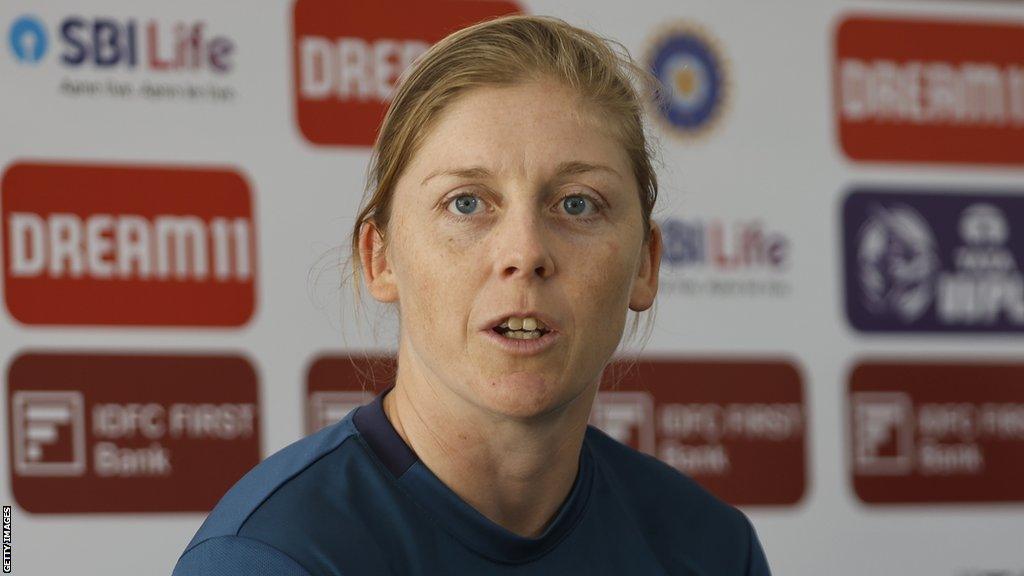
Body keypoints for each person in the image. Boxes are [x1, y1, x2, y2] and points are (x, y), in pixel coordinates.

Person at [172, 14, 772, 575]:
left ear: (646, 264)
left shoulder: (710, 549)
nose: (525, 252)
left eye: (577, 203)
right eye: (466, 203)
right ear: (380, 259)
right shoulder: (275, 555)